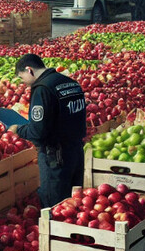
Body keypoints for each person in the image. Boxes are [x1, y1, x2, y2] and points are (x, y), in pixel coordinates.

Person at [8, 54, 87, 208]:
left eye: (21, 77)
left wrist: (19, 130)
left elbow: (38, 131)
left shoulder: (43, 89)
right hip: (76, 152)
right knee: (74, 205)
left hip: (56, 157)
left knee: (55, 206)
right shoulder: (71, 84)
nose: (23, 83)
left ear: (29, 70)